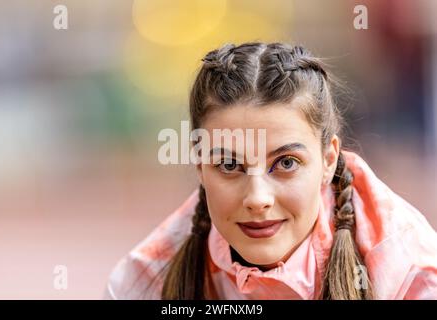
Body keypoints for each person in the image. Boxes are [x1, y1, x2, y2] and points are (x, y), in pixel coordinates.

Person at [104, 42, 437, 300]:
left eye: (286, 163)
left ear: (328, 160)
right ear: (200, 167)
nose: (257, 199)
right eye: (229, 165)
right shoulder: (146, 280)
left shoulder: (412, 271)